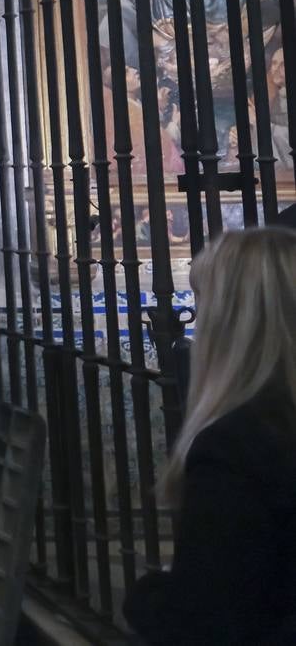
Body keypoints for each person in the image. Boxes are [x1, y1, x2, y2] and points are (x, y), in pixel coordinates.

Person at [122, 227, 296, 644]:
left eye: (202, 306)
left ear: (229, 322)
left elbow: (207, 623)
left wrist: (147, 597)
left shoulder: (236, 446)